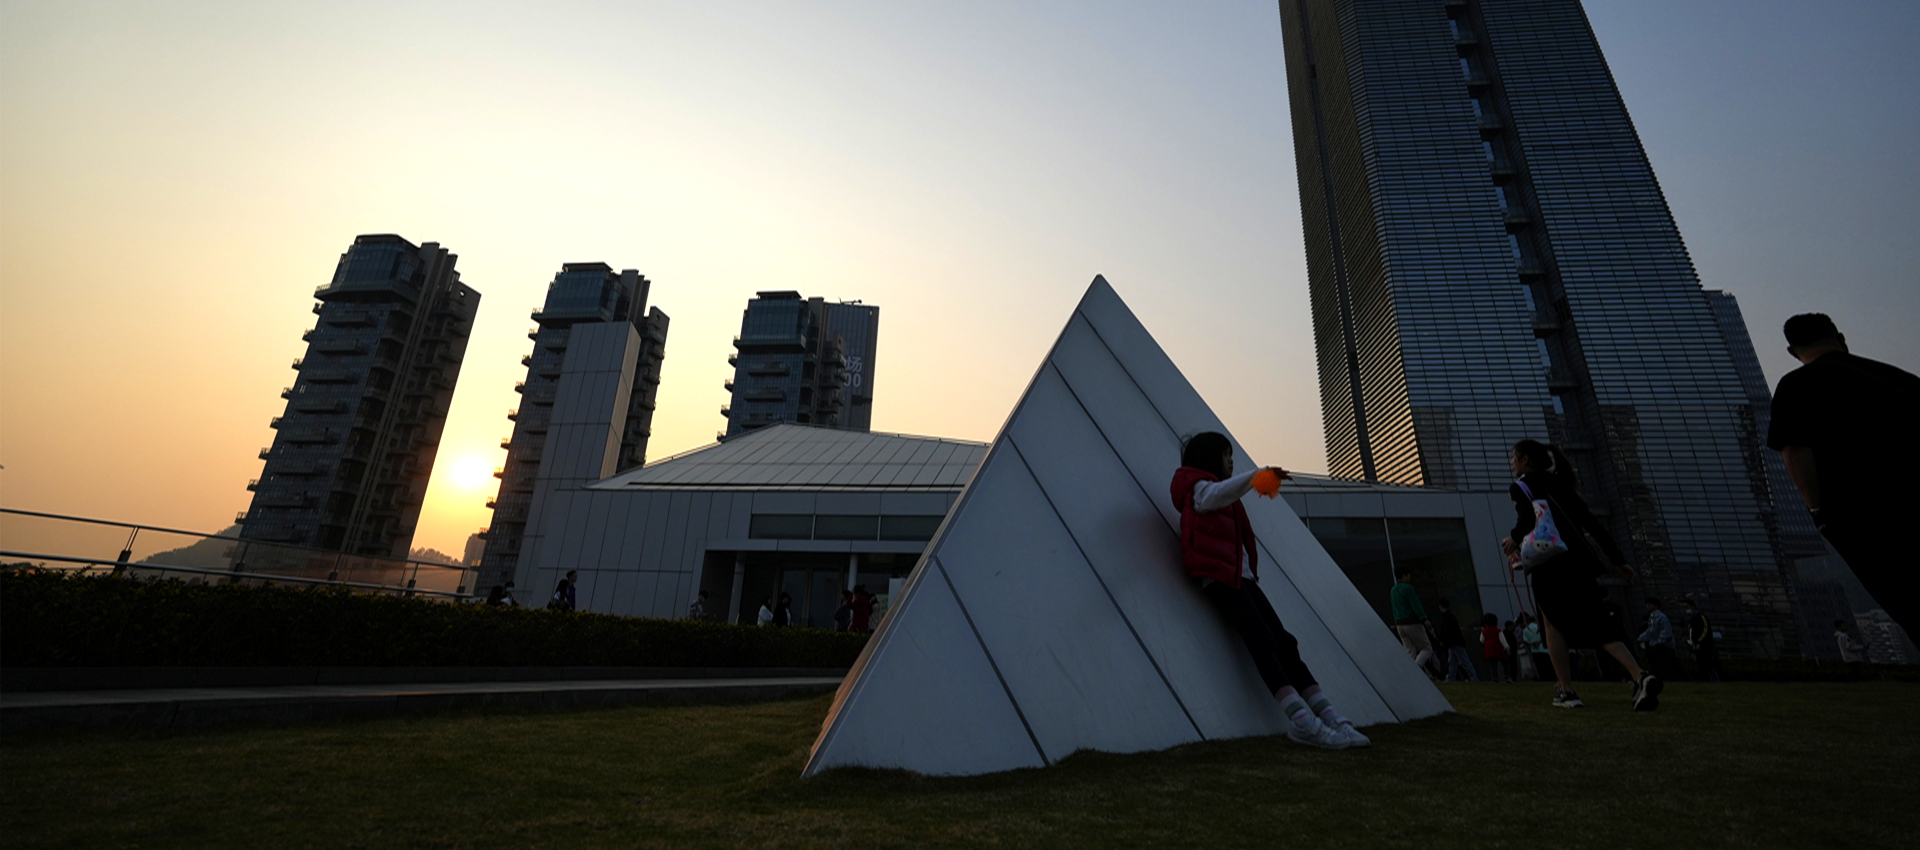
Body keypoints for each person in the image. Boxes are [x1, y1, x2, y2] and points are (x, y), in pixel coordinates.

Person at [1172, 431, 1367, 750]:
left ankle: (1328, 715)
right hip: (1222, 579)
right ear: (1209, 457)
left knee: (1284, 643)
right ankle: (1302, 722)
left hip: (1240, 578)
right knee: (1262, 641)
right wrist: (1255, 476)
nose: (1231, 461)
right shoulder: (1199, 490)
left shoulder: (1215, 493)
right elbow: (1216, 495)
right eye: (1226, 455)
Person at [1767, 313, 1920, 633]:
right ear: (1840, 337)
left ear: (1792, 351)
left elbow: (1794, 450)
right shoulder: (1898, 377)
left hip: (1866, 517)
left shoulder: (1795, 385)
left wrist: (1817, 509)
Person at [1501, 439, 1661, 711]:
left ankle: (1567, 691)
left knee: (1552, 624)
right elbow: (1591, 523)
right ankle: (1640, 675)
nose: (1512, 462)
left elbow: (1527, 519)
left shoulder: (1522, 486)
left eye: (1514, 457)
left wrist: (1513, 539)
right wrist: (1619, 560)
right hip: (1579, 563)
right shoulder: (1561, 483)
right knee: (1598, 622)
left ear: (1526, 459)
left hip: (1549, 564)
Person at [1390, 568, 1438, 679]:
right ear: (1404, 575)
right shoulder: (1408, 588)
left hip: (1400, 625)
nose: (1409, 578)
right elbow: (1415, 604)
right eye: (1408, 575)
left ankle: (1408, 675)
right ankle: (1415, 670)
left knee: (1410, 652)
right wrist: (1424, 618)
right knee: (1427, 649)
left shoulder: (1393, 590)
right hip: (1412, 623)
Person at [1435, 599, 1478, 682]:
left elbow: (1446, 630)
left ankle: (1473, 678)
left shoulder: (1447, 617)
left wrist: (1443, 640)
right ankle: (1451, 678)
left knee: (1462, 661)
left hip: (1454, 643)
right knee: (1453, 661)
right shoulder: (1450, 616)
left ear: (1441, 606)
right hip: (1454, 643)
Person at [1637, 597, 1679, 680]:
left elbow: (1667, 633)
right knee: (1669, 666)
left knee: (1665, 667)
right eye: (1647, 604)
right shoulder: (1653, 617)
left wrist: (1658, 642)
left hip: (1665, 646)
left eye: (1650, 604)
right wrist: (1641, 638)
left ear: (1656, 606)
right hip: (1661, 646)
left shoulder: (1661, 617)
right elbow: (1650, 631)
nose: (1648, 606)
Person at [1683, 598, 1721, 682]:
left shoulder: (1701, 617)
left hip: (1705, 646)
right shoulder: (1693, 619)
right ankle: (1706, 680)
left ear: (1693, 607)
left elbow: (1705, 630)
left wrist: (1700, 642)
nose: (1686, 609)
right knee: (1702, 665)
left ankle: (1714, 679)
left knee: (1708, 664)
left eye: (1687, 607)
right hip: (1698, 646)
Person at [1480, 613, 1512, 682]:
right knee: (1505, 663)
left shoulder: (1484, 631)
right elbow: (1503, 640)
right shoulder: (1498, 631)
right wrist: (1507, 648)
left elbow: (1482, 640)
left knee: (1493, 665)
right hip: (1499, 648)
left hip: (1490, 649)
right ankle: (1507, 676)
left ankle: (1495, 678)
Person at [1521, 614, 1550, 682]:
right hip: (1544, 650)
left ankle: (1543, 679)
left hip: (1534, 651)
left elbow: (1525, 640)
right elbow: (1546, 636)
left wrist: (1532, 643)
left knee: (1539, 667)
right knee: (1548, 666)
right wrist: (1539, 641)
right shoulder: (1540, 627)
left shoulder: (1526, 630)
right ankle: (1550, 678)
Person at [1514, 613, 1539, 681]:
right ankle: (1530, 675)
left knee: (1525, 662)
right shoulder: (1520, 630)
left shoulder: (1518, 629)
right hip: (1524, 646)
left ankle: (1528, 675)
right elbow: (1520, 638)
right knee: (1528, 661)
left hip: (1522, 646)